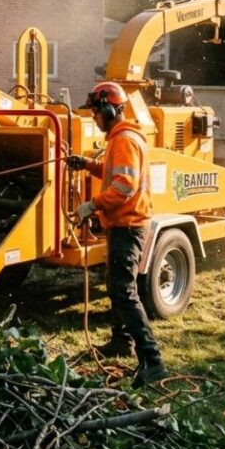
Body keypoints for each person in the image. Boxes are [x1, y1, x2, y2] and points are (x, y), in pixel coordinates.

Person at [67, 81, 169, 388]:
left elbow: (124, 187)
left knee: (124, 291)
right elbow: (115, 173)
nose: (94, 118)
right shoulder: (119, 139)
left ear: (110, 110)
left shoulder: (124, 140)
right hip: (123, 223)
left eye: (96, 113)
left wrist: (92, 205)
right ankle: (121, 341)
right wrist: (87, 165)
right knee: (116, 285)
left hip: (129, 224)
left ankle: (153, 360)